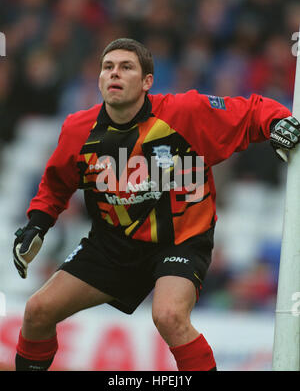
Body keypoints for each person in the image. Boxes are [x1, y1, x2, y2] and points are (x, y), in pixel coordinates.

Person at [13, 38, 300, 371]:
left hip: (181, 239)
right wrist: (37, 224)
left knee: (169, 315)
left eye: (126, 67)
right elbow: (55, 185)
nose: (114, 74)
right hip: (112, 245)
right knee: (36, 312)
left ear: (147, 81)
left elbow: (251, 111)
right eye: (108, 67)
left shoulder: (185, 112)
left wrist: (277, 122)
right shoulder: (78, 129)